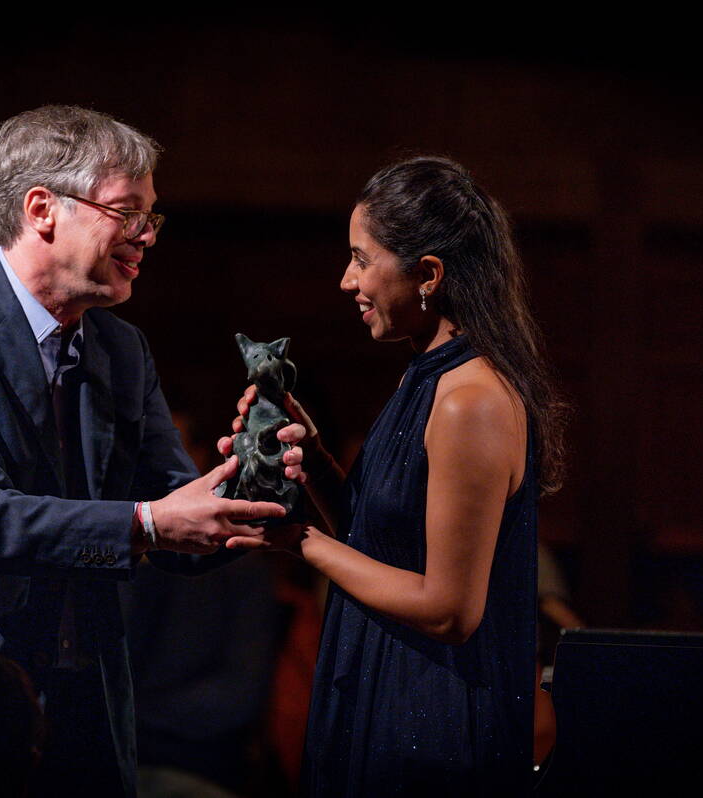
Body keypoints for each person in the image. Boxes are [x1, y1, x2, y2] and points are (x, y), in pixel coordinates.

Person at [0, 105, 287, 797]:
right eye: (128, 212)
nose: (146, 236)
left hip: (83, 706)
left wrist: (249, 482)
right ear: (43, 209)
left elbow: (172, 510)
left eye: (152, 216)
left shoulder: (121, 348)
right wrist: (148, 523)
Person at [222, 156, 567, 795]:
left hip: (432, 725)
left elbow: (449, 609)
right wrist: (313, 459)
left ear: (428, 275)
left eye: (361, 258)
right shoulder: (423, 376)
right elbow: (378, 544)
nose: (345, 279)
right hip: (392, 695)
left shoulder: (471, 401)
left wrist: (298, 541)